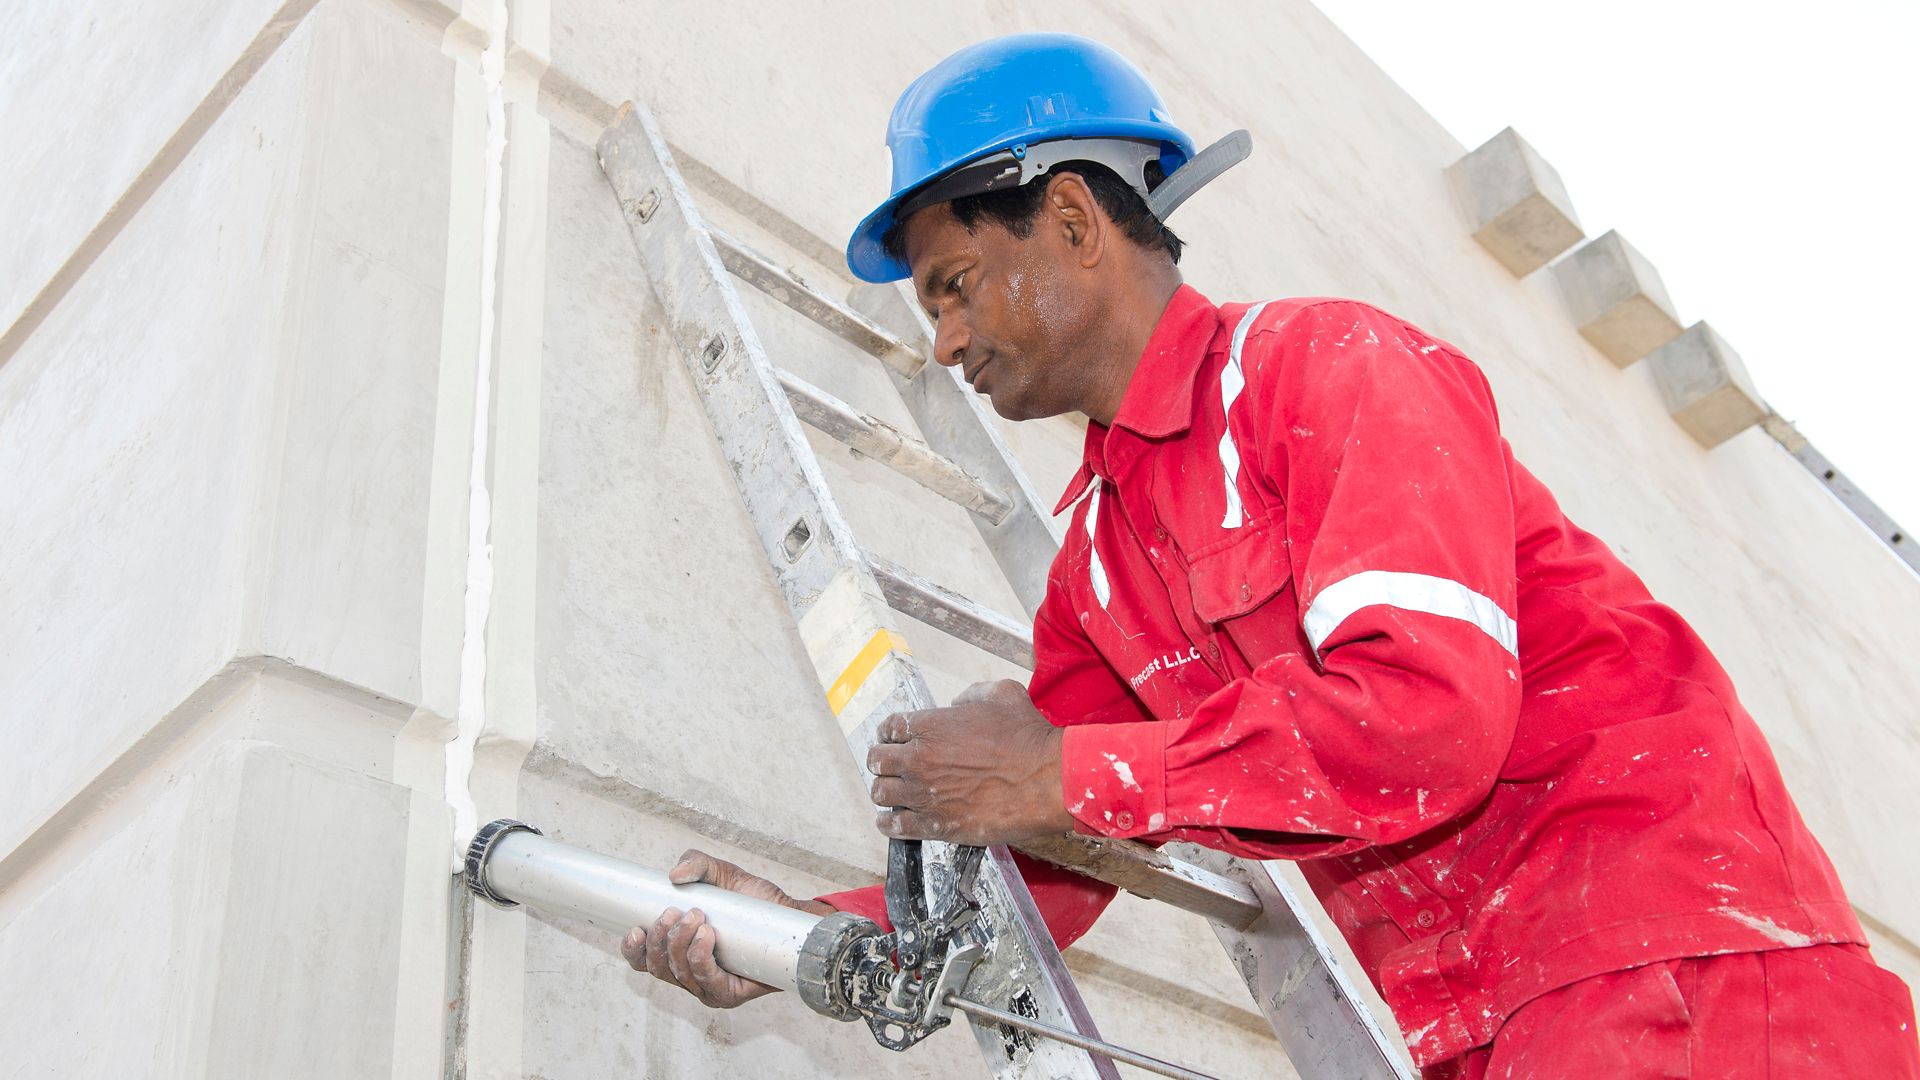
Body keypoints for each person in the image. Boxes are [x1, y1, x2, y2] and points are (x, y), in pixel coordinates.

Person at [621, 32, 1920, 1077]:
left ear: (1071, 220)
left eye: (955, 283)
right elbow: (1061, 860)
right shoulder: (1103, 566)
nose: (946, 343)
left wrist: (1057, 769)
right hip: (1480, 1030)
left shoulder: (1326, 370)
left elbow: (1428, 717)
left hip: (1689, 978)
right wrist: (799, 932)